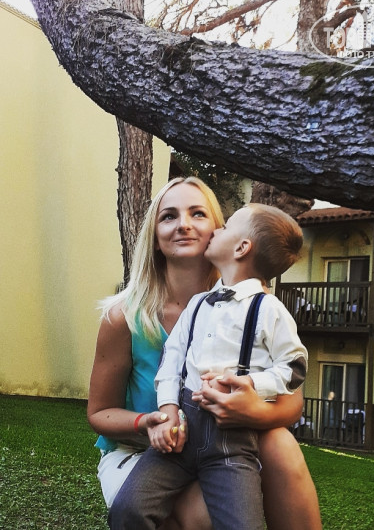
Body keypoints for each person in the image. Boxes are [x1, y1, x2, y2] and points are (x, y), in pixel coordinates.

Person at [87, 176, 321, 530]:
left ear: (220, 231)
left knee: (280, 442)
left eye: (197, 213)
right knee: (198, 516)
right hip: (142, 450)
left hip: (222, 443)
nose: (183, 224)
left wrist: (251, 409)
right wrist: (149, 421)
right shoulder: (123, 317)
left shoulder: (254, 308)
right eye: (168, 216)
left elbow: (291, 401)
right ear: (154, 236)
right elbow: (99, 413)